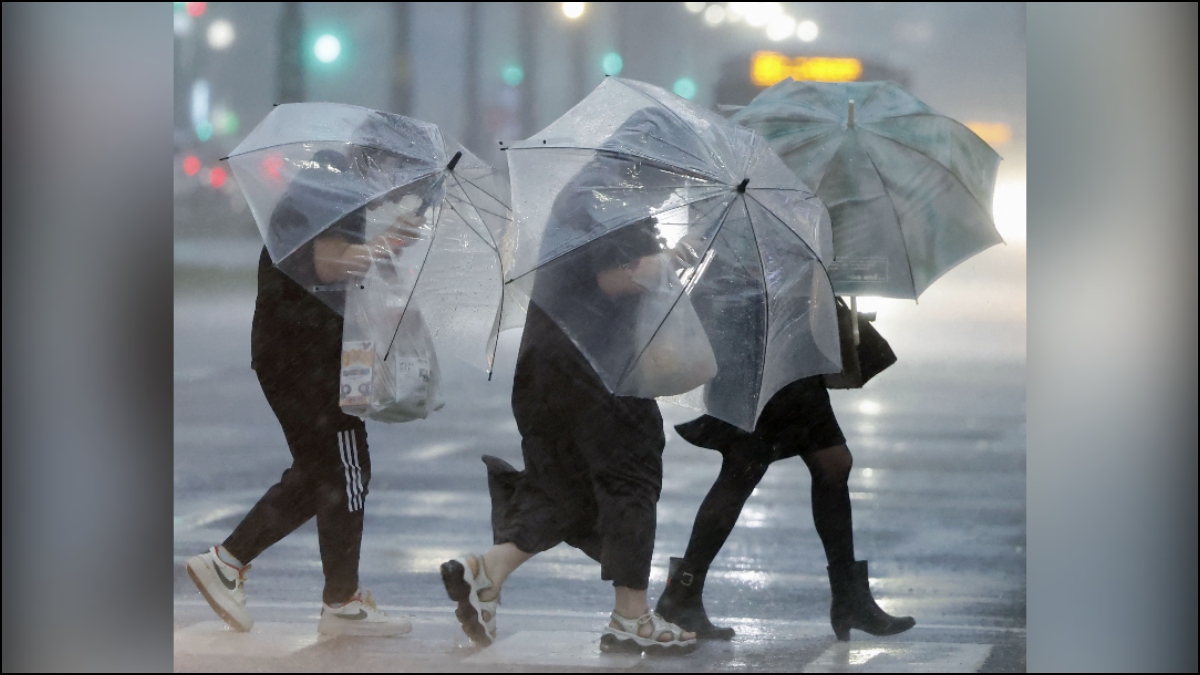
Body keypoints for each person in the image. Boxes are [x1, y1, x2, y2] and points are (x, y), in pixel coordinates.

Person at [439, 109, 699, 654]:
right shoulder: (613, 202)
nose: (675, 184)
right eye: (672, 171)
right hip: (594, 364)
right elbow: (612, 278)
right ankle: (631, 615)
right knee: (632, 474)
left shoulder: (590, 191)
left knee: (567, 483)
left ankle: (486, 571)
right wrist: (664, 265)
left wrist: (665, 257)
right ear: (647, 162)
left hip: (546, 362)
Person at [184, 148, 420, 637]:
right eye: (398, 176)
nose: (397, 190)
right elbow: (329, 264)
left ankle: (228, 563)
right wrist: (388, 241)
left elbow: (325, 265)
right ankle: (342, 602)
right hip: (306, 354)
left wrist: (383, 247)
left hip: (293, 350)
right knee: (345, 467)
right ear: (380, 163)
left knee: (321, 472)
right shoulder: (333, 191)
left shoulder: (328, 185)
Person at [653, 294, 916, 642]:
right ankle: (681, 595)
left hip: (787, 356)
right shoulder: (744, 243)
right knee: (751, 469)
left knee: (821, 464)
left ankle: (848, 598)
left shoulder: (791, 242)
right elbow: (727, 289)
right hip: (760, 357)